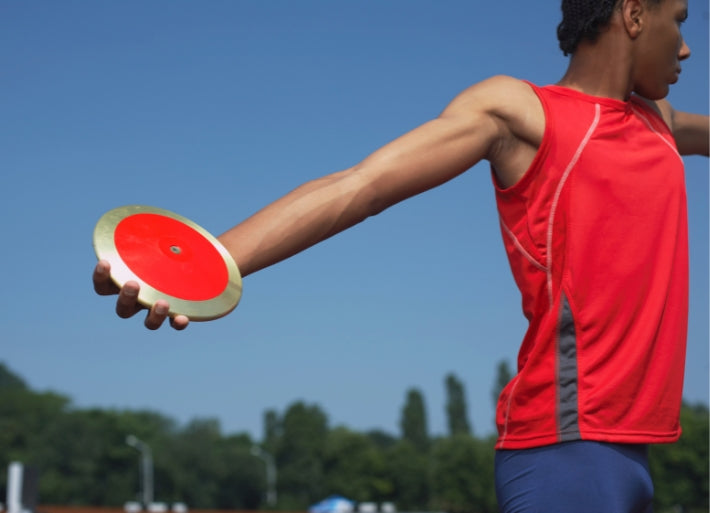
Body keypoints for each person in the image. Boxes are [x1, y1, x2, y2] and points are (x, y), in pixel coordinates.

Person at [94, 0, 708, 511]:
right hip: (566, 449)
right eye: (679, 19)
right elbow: (359, 186)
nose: (685, 47)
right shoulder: (524, 113)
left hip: (637, 448)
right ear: (632, 13)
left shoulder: (655, 121)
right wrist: (206, 261)